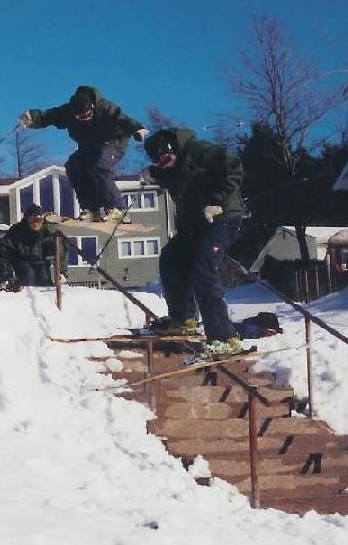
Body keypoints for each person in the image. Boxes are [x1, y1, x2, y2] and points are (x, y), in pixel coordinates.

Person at [143, 128, 244, 357]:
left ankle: (225, 336)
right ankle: (184, 318)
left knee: (203, 271)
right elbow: (172, 179)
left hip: (223, 216)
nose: (166, 164)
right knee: (171, 258)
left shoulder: (200, 151)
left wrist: (217, 199)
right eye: (161, 163)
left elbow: (233, 166)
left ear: (173, 149)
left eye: (167, 158)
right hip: (197, 226)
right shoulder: (171, 170)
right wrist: (152, 174)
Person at [18, 85, 148, 223]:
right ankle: (91, 209)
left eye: (88, 114)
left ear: (92, 107)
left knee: (99, 164)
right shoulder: (68, 112)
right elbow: (49, 116)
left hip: (113, 143)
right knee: (74, 166)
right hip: (89, 147)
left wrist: (138, 129)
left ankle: (116, 208)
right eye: (81, 116)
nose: (86, 118)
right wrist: (32, 118)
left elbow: (123, 120)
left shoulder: (105, 108)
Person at [0, 204, 59, 288]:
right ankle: (24, 293)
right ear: (27, 219)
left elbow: (60, 252)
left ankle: (46, 297)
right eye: (32, 220)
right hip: (22, 262)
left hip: (41, 262)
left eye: (39, 220)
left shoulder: (47, 232)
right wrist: (6, 275)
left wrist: (61, 273)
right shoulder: (17, 231)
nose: (35, 223)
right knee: (29, 275)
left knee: (44, 276)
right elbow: (4, 252)